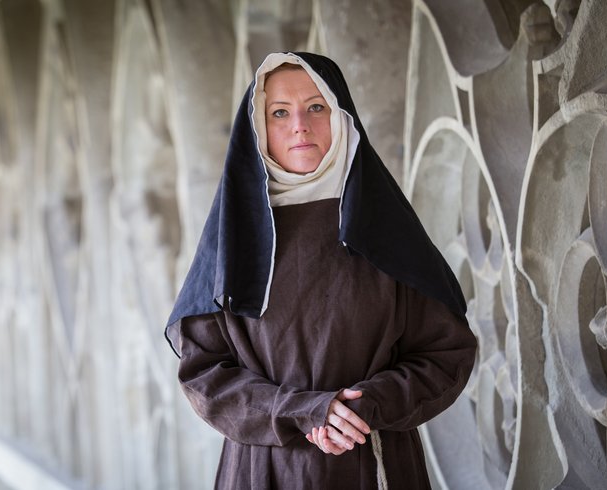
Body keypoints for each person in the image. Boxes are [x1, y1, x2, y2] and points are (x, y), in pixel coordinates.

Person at [165, 52, 478, 489]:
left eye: (317, 107)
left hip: (374, 461)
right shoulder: (233, 239)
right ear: (257, 127)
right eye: (279, 112)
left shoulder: (386, 230)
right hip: (263, 471)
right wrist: (299, 409)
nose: (300, 125)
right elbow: (204, 373)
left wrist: (361, 406)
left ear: (342, 115)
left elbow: (446, 354)